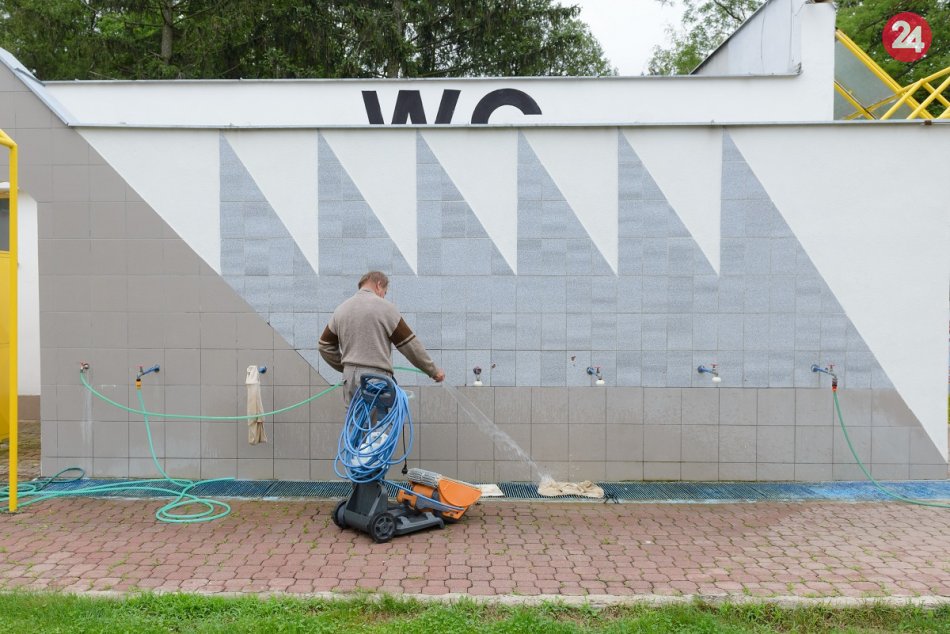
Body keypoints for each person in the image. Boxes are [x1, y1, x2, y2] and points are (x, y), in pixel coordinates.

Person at [319, 271, 445, 406]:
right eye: (384, 292)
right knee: (376, 419)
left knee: (354, 417)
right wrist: (433, 371)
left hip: (349, 379)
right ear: (379, 285)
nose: (383, 296)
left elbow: (324, 345)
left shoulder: (341, 309)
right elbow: (410, 345)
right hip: (375, 378)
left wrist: (346, 367)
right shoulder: (385, 308)